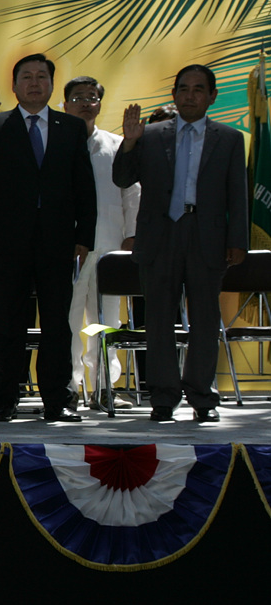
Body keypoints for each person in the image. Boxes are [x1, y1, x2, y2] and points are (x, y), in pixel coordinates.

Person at [0, 53, 97, 423]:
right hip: (8, 243)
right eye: (26, 77)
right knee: (8, 325)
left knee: (56, 324)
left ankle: (57, 400)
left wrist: (85, 236)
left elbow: (84, 186)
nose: (34, 83)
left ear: (51, 84)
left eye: (41, 77)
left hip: (58, 241)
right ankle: (4, 400)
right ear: (14, 85)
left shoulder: (70, 127)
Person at [113, 64, 248, 423]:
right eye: (183, 89)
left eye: (198, 89)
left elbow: (238, 195)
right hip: (161, 236)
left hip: (207, 238)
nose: (190, 95)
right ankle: (163, 396)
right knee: (158, 320)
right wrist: (129, 142)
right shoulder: (151, 135)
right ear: (173, 94)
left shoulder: (230, 139)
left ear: (212, 96)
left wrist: (238, 241)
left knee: (204, 320)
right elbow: (122, 178)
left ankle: (202, 396)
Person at [63, 76, 138, 410]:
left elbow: (131, 194)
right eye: (77, 97)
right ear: (64, 105)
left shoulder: (117, 145)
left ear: (100, 104)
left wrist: (131, 235)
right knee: (66, 319)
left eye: (91, 97)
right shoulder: (56, 145)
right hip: (67, 247)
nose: (85, 103)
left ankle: (104, 388)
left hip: (109, 246)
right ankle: (67, 387)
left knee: (106, 322)